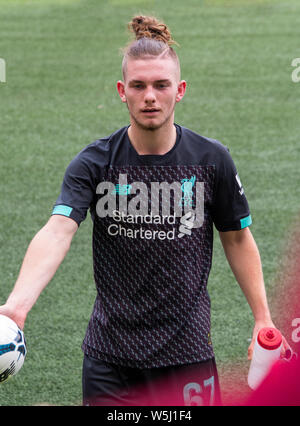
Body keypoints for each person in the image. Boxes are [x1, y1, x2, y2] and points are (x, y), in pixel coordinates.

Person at [0, 15, 290, 406]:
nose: (149, 96)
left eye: (160, 85)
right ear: (122, 91)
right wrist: (17, 308)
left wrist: (263, 319)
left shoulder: (211, 160)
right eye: (138, 85)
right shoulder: (95, 163)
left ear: (180, 90)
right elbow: (58, 230)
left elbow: (236, 236)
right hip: (110, 358)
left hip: (186, 355)